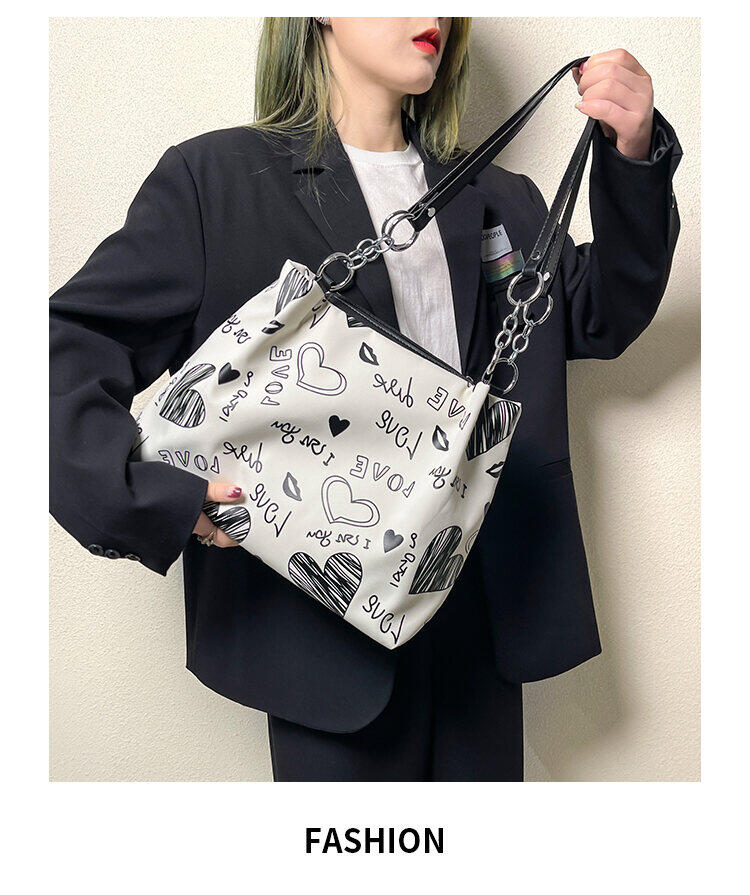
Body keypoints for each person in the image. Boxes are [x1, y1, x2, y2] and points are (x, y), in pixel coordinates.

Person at [49, 18, 682, 781]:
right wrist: (157, 498)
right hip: (323, 636)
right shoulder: (215, 182)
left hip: (481, 613)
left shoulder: (500, 196)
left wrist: (633, 153)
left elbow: (599, 313)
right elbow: (62, 352)